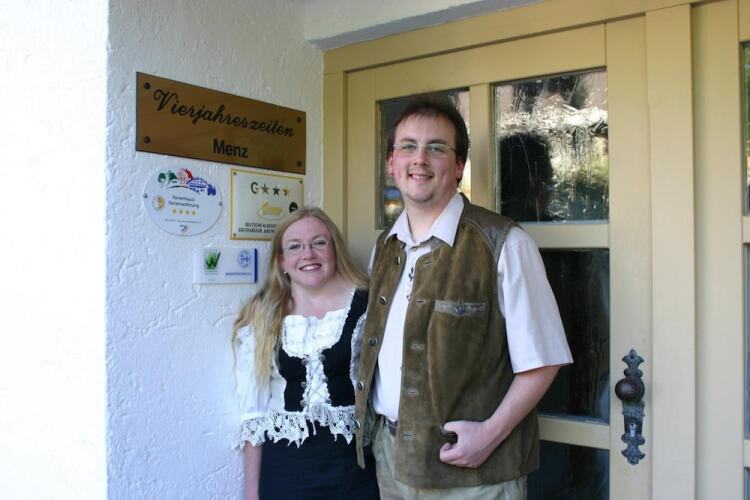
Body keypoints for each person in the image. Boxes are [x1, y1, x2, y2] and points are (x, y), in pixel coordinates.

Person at [353, 95, 573, 499]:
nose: (419, 159)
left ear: (458, 167)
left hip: (475, 476)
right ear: (391, 163)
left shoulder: (504, 243)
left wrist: (489, 436)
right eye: (408, 146)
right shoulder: (385, 246)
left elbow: (544, 360)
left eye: (436, 148)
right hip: (391, 460)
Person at [233, 207, 380, 500]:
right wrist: (251, 492)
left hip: (358, 466)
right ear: (282, 260)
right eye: (295, 246)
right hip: (285, 469)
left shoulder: (371, 304)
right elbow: (254, 412)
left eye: (319, 242)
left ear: (335, 249)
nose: (308, 254)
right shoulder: (264, 311)